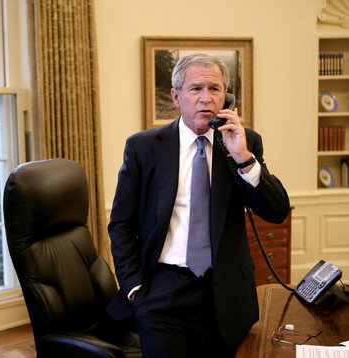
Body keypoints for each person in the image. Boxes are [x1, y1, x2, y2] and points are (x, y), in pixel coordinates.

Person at [107, 53, 290, 357]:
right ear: (177, 97)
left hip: (225, 293)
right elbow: (121, 224)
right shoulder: (144, 148)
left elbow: (276, 211)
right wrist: (135, 286)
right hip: (162, 291)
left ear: (227, 98)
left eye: (215, 89)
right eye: (196, 89)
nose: (206, 98)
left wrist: (243, 158)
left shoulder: (244, 143)